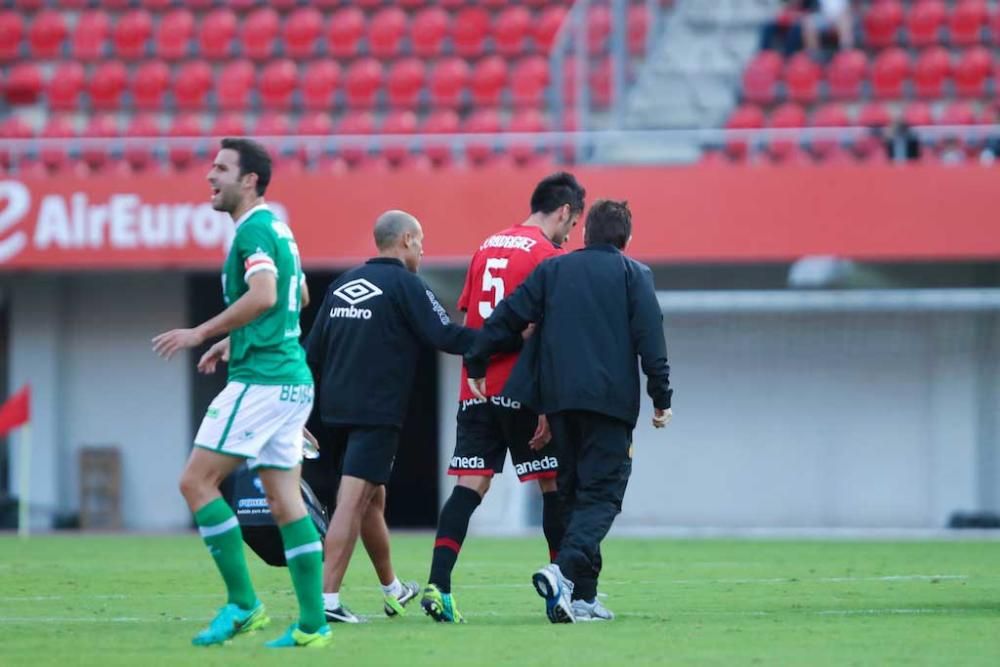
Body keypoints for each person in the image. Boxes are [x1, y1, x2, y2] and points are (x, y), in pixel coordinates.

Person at [152, 138, 331, 648]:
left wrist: (201, 333)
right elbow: (297, 294)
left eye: (221, 168)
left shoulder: (253, 229)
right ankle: (313, 625)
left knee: (196, 483)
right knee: (284, 502)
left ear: (249, 180)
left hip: (263, 383)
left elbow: (268, 295)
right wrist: (239, 338)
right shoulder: (279, 228)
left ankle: (243, 605)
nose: (210, 176)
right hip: (291, 381)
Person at [464, 200, 673, 623]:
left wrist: (477, 360)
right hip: (609, 406)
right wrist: (661, 397)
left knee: (574, 497)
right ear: (626, 239)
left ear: (585, 234)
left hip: (559, 403)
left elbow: (508, 315)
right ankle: (561, 572)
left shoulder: (553, 271)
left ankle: (582, 598)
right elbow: (651, 340)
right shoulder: (635, 275)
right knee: (604, 495)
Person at [420, 172, 586, 624]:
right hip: (525, 389)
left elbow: (474, 315)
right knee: (553, 485)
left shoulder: (487, 245)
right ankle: (562, 590)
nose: (570, 236)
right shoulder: (547, 256)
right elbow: (542, 332)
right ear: (565, 211)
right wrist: (551, 403)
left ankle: (439, 584)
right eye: (572, 227)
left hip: (475, 388)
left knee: (469, 487)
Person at [304, 210, 478, 624]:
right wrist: (504, 335)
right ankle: (325, 600)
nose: (422, 248)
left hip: (337, 413)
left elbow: (311, 351)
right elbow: (446, 336)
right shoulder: (405, 285)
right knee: (351, 501)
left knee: (371, 502)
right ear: (405, 240)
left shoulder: (343, 284)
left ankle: (392, 588)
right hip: (376, 414)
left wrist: (299, 412)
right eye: (420, 241)